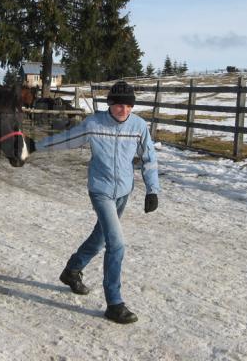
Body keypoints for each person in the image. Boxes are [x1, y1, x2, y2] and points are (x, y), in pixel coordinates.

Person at [34, 81, 160, 324]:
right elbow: (65, 140)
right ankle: (114, 302)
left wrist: (152, 190)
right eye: (117, 104)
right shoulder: (94, 124)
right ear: (109, 104)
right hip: (100, 191)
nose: (122, 109)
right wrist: (34, 145)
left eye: (128, 104)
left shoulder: (138, 126)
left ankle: (72, 270)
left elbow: (149, 158)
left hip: (123, 191)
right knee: (117, 244)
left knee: (101, 238)